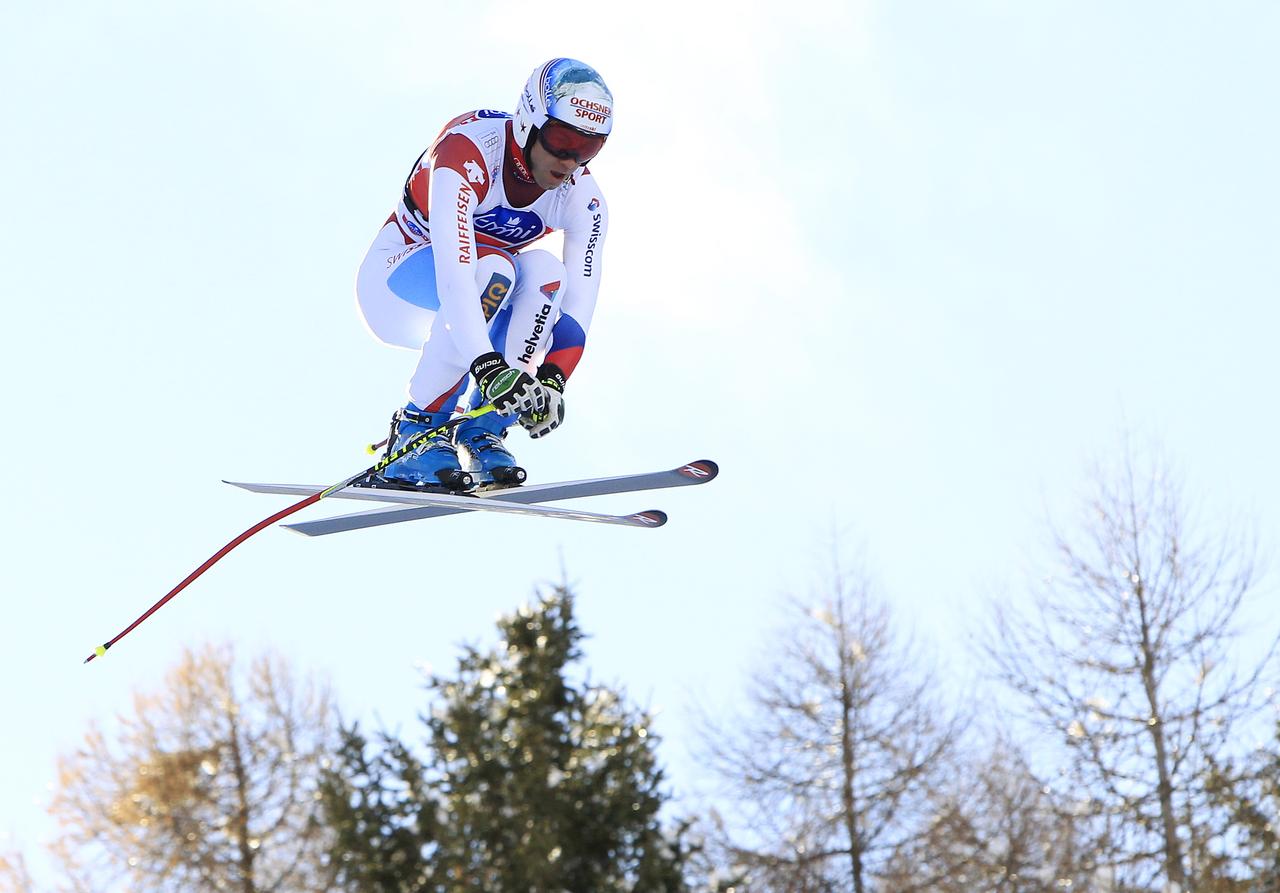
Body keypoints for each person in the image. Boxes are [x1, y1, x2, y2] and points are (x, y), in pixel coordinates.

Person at [354, 58, 612, 491]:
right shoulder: (468, 152)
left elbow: (577, 306)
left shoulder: (583, 197)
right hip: (396, 284)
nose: (570, 160)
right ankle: (417, 429)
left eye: (588, 148)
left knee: (546, 272)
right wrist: (490, 367)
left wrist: (551, 379)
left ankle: (483, 429)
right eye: (563, 139)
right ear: (530, 120)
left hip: (476, 306)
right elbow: (455, 277)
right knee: (496, 268)